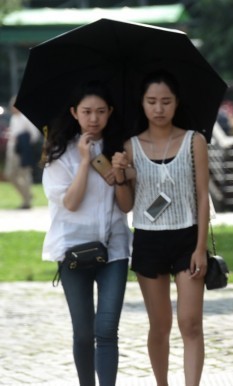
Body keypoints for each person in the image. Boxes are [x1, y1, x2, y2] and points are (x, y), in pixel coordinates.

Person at [111, 70, 210, 386]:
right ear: (142, 103)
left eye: (165, 101)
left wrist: (199, 248)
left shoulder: (195, 140)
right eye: (151, 101)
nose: (158, 108)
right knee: (160, 325)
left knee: (190, 323)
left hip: (187, 237)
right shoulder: (129, 147)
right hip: (148, 240)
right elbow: (126, 205)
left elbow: (202, 197)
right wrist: (121, 175)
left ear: (176, 102)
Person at [41, 81, 132, 386]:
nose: (94, 118)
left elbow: (126, 205)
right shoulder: (59, 153)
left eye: (101, 111)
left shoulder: (119, 149)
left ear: (110, 113)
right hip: (73, 249)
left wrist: (121, 174)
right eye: (87, 111)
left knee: (106, 330)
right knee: (83, 332)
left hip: (115, 248)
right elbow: (70, 202)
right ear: (74, 113)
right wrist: (83, 160)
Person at [4, 96, 41, 209]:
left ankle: (26, 201)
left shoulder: (25, 118)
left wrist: (23, 142)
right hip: (12, 150)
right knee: (10, 175)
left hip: (22, 151)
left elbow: (34, 135)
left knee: (25, 175)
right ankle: (27, 195)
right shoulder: (14, 118)